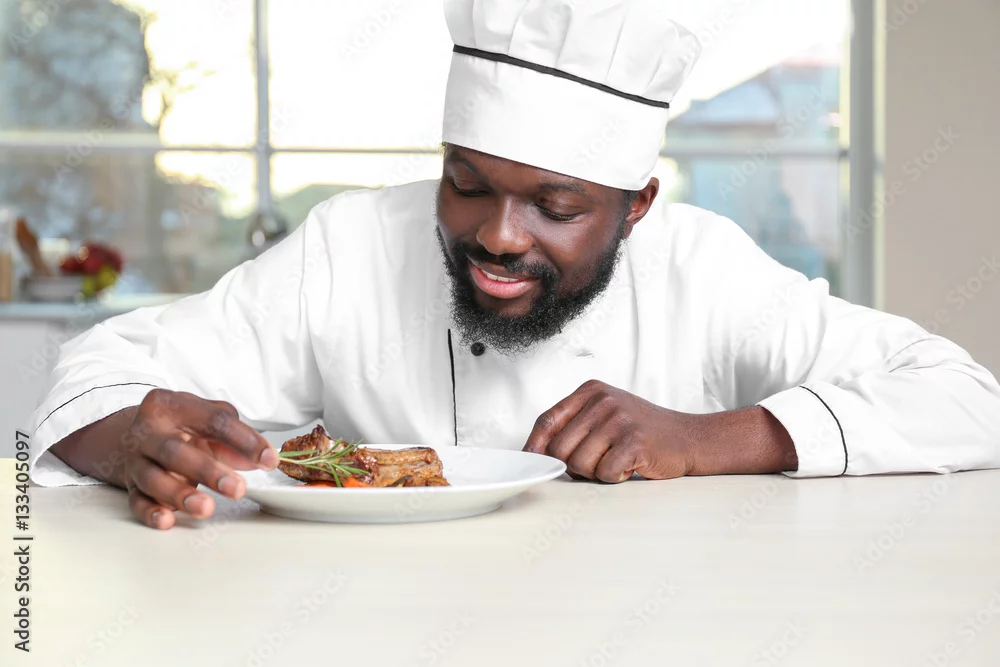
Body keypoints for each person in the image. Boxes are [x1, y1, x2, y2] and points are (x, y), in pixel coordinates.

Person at [27, 0, 1000, 530]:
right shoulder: (350, 245)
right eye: (467, 183)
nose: (497, 234)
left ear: (636, 205)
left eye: (556, 208)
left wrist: (712, 437)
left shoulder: (703, 269)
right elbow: (100, 371)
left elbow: (968, 397)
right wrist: (131, 443)